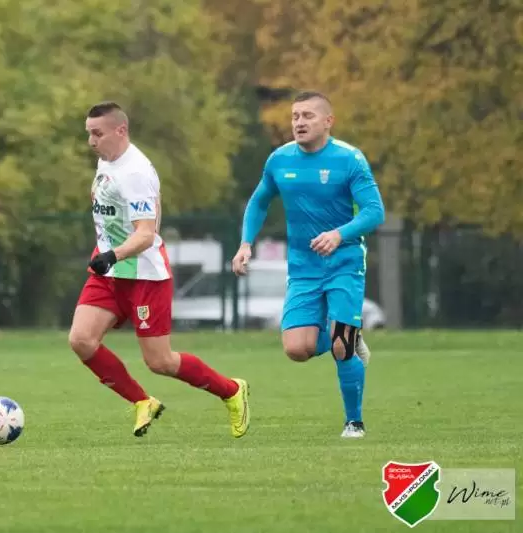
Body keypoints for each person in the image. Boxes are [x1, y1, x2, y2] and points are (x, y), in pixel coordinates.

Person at [69, 101, 250, 438]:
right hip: (111, 271)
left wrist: (112, 255)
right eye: (89, 134)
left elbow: (146, 234)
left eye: (97, 134)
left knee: (160, 362)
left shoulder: (135, 172)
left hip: (143, 275)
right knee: (81, 340)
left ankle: (231, 390)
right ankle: (142, 401)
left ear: (120, 130)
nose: (91, 141)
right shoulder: (107, 159)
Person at [232, 91, 385, 438]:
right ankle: (346, 337)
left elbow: (375, 211)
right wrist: (245, 244)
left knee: (341, 346)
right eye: (295, 116)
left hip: (345, 262)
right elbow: (258, 202)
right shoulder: (279, 160)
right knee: (296, 349)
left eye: (308, 116)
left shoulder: (349, 159)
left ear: (328, 121)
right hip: (303, 268)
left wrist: (339, 234)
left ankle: (354, 422)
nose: (299, 122)